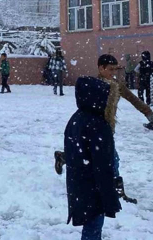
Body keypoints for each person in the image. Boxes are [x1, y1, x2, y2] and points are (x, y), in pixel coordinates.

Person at [55, 55, 153, 198]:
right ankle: (116, 191)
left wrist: (148, 112)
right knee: (110, 159)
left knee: (93, 155)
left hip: (106, 129)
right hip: (94, 129)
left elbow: (133, 99)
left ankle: (63, 157)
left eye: (115, 69)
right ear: (101, 68)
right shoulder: (93, 84)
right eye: (110, 69)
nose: (113, 72)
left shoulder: (117, 85)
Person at [63, 76, 122, 240]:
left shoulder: (77, 118)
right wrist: (109, 195)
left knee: (92, 225)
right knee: (93, 227)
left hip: (80, 184)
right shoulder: (97, 124)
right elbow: (103, 165)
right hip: (94, 187)